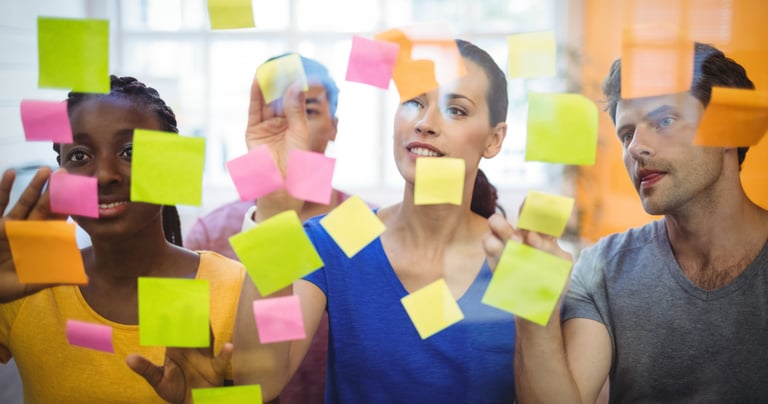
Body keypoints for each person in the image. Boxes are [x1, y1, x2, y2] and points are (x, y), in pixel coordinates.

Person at [232, 39, 516, 403]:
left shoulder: (516, 258)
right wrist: (273, 207)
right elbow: (258, 382)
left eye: (456, 110)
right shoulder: (341, 233)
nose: (425, 123)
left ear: (494, 139)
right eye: (414, 102)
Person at [485, 42, 768, 403]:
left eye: (664, 121)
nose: (635, 147)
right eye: (626, 134)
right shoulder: (603, 269)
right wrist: (531, 307)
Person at [0, 75, 245, 403]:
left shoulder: (235, 289)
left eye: (130, 151)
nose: (104, 175)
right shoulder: (23, 284)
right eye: (80, 156)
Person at [184, 54, 353, 404]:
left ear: (334, 126)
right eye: (276, 112)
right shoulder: (210, 234)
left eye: (308, 111)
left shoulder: (366, 227)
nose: (292, 127)